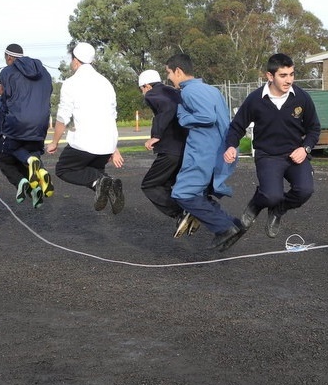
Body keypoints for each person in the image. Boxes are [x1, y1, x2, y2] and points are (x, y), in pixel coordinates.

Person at [224, 53, 321, 238]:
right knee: (271, 195)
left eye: (292, 74)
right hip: (267, 156)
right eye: (283, 76)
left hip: (295, 154)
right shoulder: (255, 100)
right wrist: (230, 146)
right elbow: (237, 126)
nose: (289, 80)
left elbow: (314, 128)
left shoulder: (302, 98)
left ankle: (278, 210)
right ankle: (257, 203)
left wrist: (305, 148)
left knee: (305, 191)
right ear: (270, 76)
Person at [166, 53, 243, 251]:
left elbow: (206, 116)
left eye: (169, 73)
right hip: (215, 150)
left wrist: (182, 116)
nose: (168, 78)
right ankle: (233, 224)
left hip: (202, 152)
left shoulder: (189, 92)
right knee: (197, 194)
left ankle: (225, 227)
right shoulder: (211, 89)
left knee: (182, 194)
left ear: (179, 71)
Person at [45, 42, 125, 213]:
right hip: (107, 143)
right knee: (93, 172)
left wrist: (54, 142)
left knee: (64, 169)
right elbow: (112, 115)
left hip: (85, 143)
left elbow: (62, 117)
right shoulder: (106, 83)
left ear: (75, 61)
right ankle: (107, 184)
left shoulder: (71, 83)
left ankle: (103, 182)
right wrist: (114, 147)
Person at [0, 43, 54, 208]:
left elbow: (6, 101)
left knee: (8, 153)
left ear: (8, 57)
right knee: (32, 150)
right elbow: (48, 91)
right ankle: (38, 175)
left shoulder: (7, 72)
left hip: (18, 121)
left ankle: (28, 170)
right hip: (41, 122)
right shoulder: (44, 71)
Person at [137, 69, 195, 237]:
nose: (143, 93)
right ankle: (189, 211)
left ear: (147, 86)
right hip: (186, 148)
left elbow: (167, 108)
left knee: (149, 185)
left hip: (170, 150)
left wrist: (156, 135)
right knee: (167, 185)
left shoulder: (152, 94)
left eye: (142, 89)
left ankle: (181, 213)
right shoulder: (175, 91)